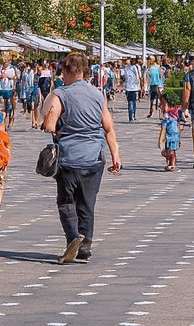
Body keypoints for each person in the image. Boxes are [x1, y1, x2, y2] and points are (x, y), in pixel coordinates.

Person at [42, 51, 123, 264]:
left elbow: (49, 124)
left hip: (69, 159)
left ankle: (73, 238)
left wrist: (54, 126)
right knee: (87, 203)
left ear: (68, 71)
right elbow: (109, 128)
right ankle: (85, 244)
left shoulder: (62, 93)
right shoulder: (97, 94)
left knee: (66, 202)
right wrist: (116, 155)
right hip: (93, 159)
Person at [157, 101, 180, 170]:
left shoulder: (169, 120)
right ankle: (171, 163)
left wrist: (160, 140)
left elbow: (163, 131)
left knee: (171, 152)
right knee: (170, 151)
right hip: (170, 138)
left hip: (173, 138)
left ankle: (171, 164)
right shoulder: (174, 119)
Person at [120, 58, 142, 123]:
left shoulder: (134, 67)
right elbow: (123, 76)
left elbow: (138, 76)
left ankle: (131, 116)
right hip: (130, 87)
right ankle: (132, 116)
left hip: (133, 87)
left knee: (132, 102)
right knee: (132, 101)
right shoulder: (126, 68)